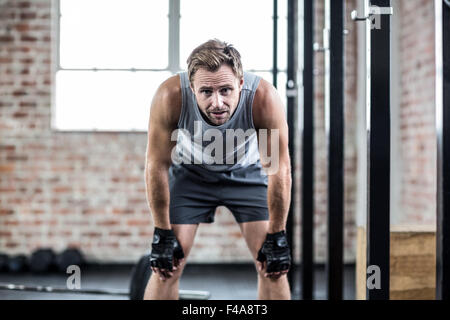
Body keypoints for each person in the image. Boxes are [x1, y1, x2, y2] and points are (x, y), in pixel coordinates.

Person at [143, 39, 292, 300]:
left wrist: (277, 235)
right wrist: (161, 232)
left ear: (241, 84)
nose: (217, 103)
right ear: (191, 89)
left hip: (247, 173)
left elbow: (278, 169)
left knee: (273, 265)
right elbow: (157, 165)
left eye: (225, 90)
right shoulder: (170, 97)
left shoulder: (263, 99)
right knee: (166, 264)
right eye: (206, 92)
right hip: (191, 174)